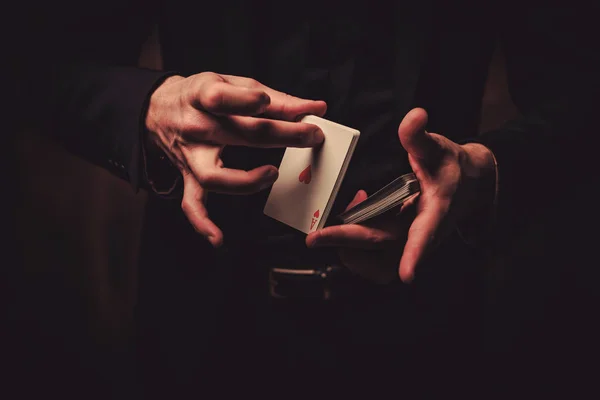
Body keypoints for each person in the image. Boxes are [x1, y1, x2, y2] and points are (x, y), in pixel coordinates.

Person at [12, 0, 599, 396]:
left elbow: (581, 88)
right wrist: (147, 108)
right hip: (203, 324)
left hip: (426, 321)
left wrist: (482, 173)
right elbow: (36, 58)